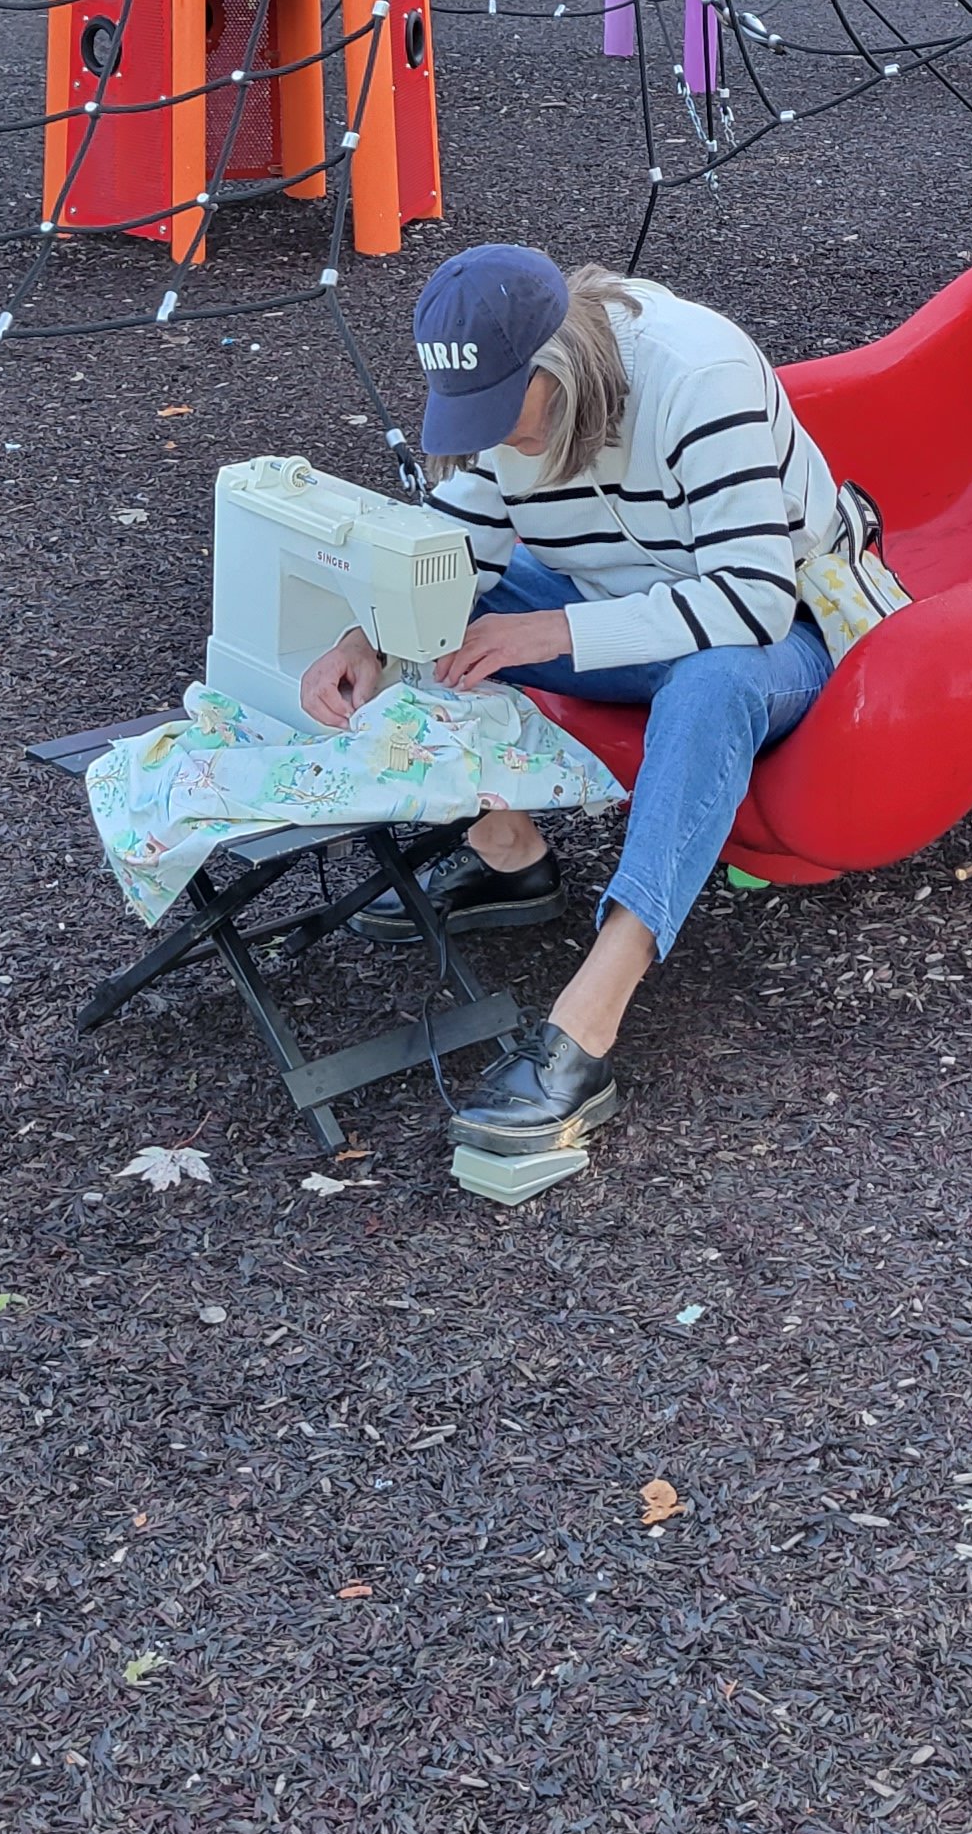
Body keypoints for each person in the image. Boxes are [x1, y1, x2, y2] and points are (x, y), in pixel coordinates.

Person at [300, 245, 842, 1155]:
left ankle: (589, 1021)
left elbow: (753, 599)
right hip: (612, 607)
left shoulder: (696, 373)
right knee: (421, 609)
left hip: (783, 625)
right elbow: (457, 547)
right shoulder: (502, 409)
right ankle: (510, 856)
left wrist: (551, 633)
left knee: (706, 684)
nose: (494, 439)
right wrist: (372, 637)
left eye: (506, 414)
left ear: (555, 367)